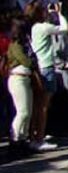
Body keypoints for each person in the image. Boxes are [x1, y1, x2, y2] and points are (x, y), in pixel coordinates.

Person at [25, 0, 68, 151]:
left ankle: (32, 136)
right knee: (43, 106)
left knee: (36, 105)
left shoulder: (33, 27)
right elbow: (64, 29)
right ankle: (40, 138)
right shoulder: (44, 27)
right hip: (47, 67)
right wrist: (59, 13)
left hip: (37, 67)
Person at [7, 17, 35, 159]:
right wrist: (33, 61)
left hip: (26, 78)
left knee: (28, 112)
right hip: (17, 78)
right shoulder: (15, 45)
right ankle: (15, 139)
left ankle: (23, 139)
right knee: (22, 111)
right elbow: (26, 61)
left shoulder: (25, 44)